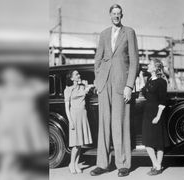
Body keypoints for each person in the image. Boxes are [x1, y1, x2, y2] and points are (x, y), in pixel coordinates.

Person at [91, 4, 139, 177]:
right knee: (104, 124)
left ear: (122, 15)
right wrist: (98, 82)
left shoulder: (129, 32)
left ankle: (123, 164)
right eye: (113, 13)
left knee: (120, 124)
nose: (116, 16)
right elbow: (97, 59)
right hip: (104, 84)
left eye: (119, 14)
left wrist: (129, 85)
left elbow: (134, 61)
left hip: (121, 84)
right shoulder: (104, 34)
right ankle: (102, 164)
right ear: (110, 15)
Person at [0, 67, 48, 180]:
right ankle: (2, 174)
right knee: (9, 150)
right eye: (10, 76)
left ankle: (14, 172)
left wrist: (29, 81)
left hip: (27, 123)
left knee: (20, 149)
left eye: (17, 75)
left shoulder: (29, 88)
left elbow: (45, 85)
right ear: (4, 78)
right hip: (8, 123)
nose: (15, 78)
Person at [140, 59, 167, 176]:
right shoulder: (149, 80)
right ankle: (156, 165)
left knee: (159, 141)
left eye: (150, 64)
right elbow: (145, 94)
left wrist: (158, 116)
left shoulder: (162, 81)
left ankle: (157, 166)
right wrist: (141, 78)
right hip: (148, 112)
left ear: (156, 67)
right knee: (147, 141)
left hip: (157, 112)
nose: (147, 65)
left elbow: (163, 100)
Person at [64, 70, 93, 174]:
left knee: (80, 143)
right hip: (74, 116)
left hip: (83, 114)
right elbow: (67, 108)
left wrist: (90, 87)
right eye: (76, 74)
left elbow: (90, 87)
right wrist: (70, 121)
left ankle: (76, 163)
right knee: (75, 144)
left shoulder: (82, 86)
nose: (79, 75)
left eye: (78, 74)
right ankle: (71, 163)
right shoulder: (68, 90)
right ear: (71, 78)